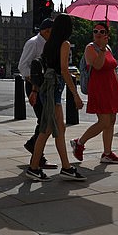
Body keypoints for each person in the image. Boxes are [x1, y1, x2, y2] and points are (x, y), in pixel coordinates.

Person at [26, 14, 85, 182]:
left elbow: (43, 67)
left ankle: (65, 167)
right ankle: (34, 168)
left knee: (58, 130)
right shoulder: (64, 44)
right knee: (46, 130)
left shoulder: (49, 43)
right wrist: (76, 95)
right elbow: (64, 71)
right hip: (54, 90)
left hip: (47, 89)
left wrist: (35, 90)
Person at [70, 22, 118, 165]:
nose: (98, 34)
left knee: (111, 121)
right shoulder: (90, 48)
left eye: (102, 31)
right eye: (95, 31)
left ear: (107, 34)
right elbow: (97, 66)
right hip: (99, 88)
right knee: (104, 121)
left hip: (111, 87)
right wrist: (101, 49)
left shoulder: (108, 48)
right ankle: (79, 142)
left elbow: (113, 70)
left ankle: (107, 153)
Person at [17, 18, 57, 170]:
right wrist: (35, 85)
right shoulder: (33, 43)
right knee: (44, 120)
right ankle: (37, 154)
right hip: (34, 86)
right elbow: (23, 67)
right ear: (46, 31)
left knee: (44, 120)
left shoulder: (48, 43)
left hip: (45, 86)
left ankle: (34, 147)